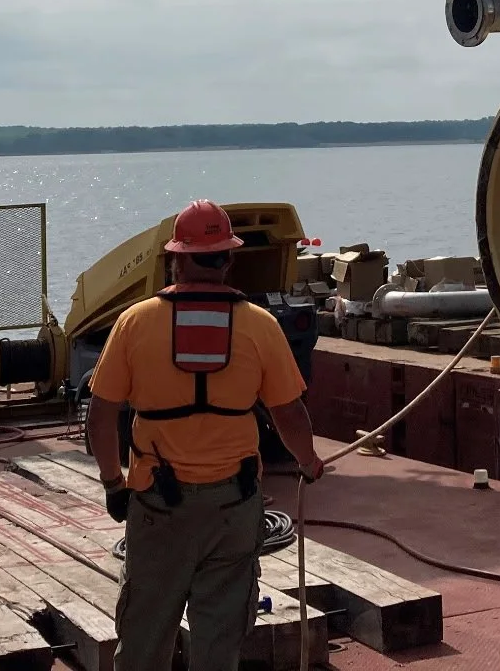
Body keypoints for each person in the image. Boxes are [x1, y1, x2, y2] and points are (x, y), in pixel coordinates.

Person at [88, 200, 326, 671]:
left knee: (143, 638)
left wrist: (114, 483)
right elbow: (289, 414)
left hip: (157, 507)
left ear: (176, 257)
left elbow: (100, 415)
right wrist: (308, 462)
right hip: (232, 509)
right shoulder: (260, 325)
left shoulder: (134, 322)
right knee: (219, 642)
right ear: (228, 259)